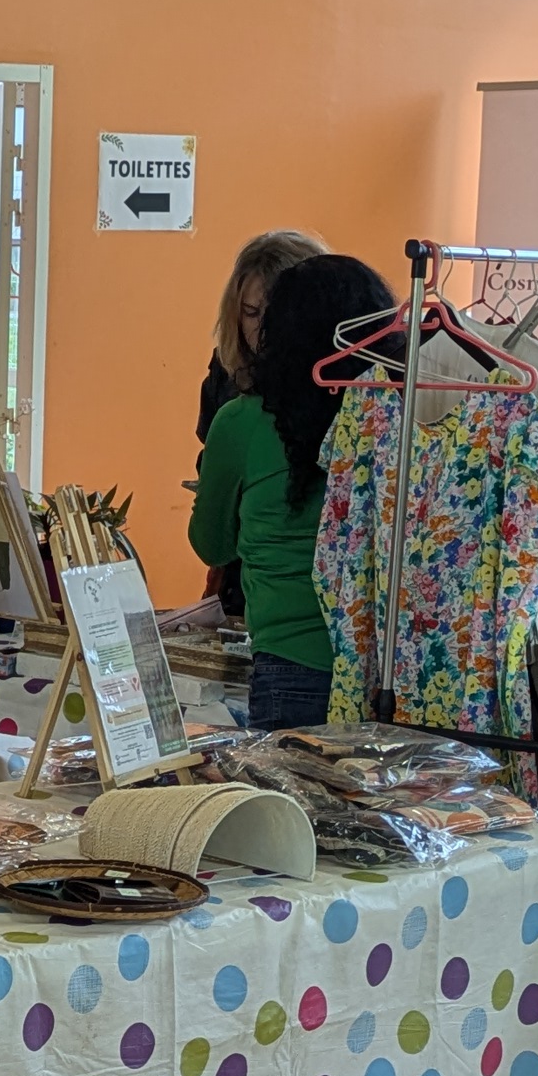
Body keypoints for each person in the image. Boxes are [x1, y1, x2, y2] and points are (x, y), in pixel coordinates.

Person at [191, 251, 395, 730]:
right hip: (392, 667)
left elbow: (211, 544)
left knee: (291, 784)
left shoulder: (243, 421)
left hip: (291, 659)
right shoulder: (397, 414)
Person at [196, 228, 328, 442]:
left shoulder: (345, 379)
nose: (263, 329)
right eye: (251, 312)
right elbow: (211, 452)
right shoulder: (225, 370)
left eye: (278, 313)